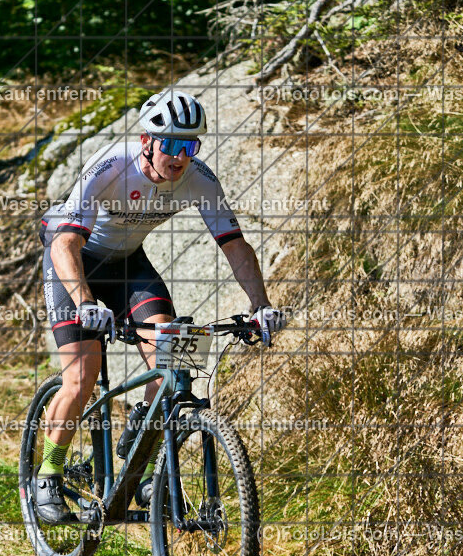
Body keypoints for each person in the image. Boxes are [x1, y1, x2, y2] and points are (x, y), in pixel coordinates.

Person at [34, 89, 285, 523]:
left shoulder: (198, 178)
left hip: (129, 265)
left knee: (172, 356)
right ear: (147, 141)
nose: (179, 156)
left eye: (189, 146)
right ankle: (48, 474)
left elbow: (235, 246)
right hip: (75, 263)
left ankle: (141, 454)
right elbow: (64, 242)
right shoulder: (113, 166)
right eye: (170, 144)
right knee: (81, 376)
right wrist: (85, 302)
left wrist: (260, 305)